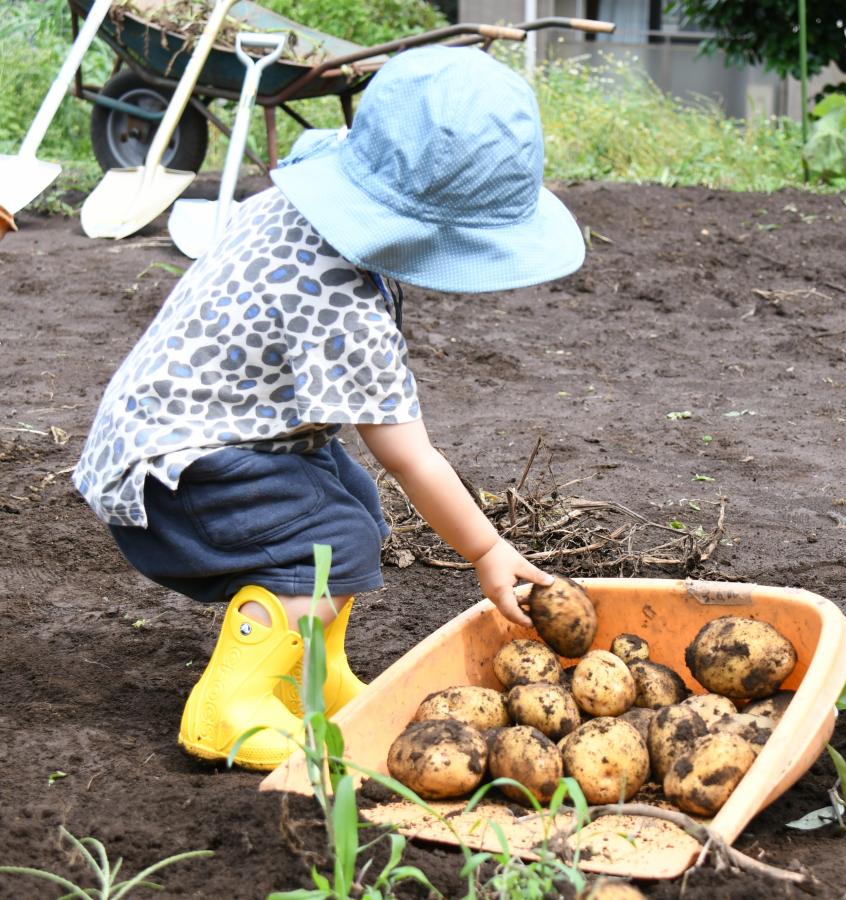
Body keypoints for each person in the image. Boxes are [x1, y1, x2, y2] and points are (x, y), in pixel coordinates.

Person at [73, 45, 586, 771]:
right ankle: (232, 704)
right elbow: (410, 453)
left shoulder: (294, 204)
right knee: (324, 535)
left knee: (350, 501)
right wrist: (486, 548)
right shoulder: (341, 304)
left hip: (209, 433)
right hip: (173, 472)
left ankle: (304, 673)